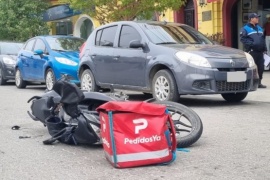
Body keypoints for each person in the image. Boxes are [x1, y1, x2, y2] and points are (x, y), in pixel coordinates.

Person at [240, 13, 267, 88]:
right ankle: (250, 83)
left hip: (260, 52)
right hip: (252, 51)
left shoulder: (260, 28)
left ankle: (259, 83)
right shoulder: (245, 28)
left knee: (261, 67)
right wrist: (252, 44)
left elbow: (262, 39)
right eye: (256, 17)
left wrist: (265, 48)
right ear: (251, 19)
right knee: (251, 68)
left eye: (258, 17)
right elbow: (243, 39)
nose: (258, 19)